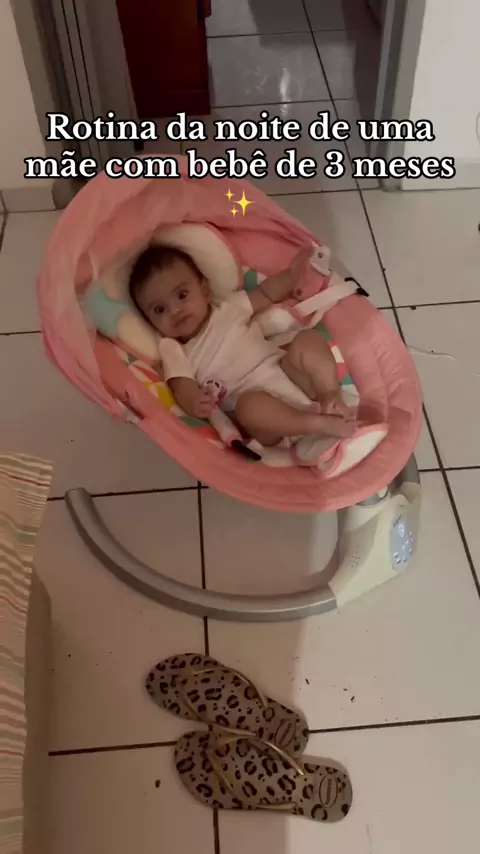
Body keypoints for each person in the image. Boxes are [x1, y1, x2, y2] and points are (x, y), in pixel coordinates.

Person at [128, 245, 355, 447]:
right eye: (159, 309)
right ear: (150, 321)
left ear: (204, 291)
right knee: (248, 407)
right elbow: (181, 386)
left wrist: (293, 275)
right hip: (265, 415)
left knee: (306, 340)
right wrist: (194, 402)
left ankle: (329, 394)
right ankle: (315, 424)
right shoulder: (173, 347)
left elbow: (265, 293)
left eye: (182, 295)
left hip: (290, 374)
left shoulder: (228, 308)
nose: (175, 310)